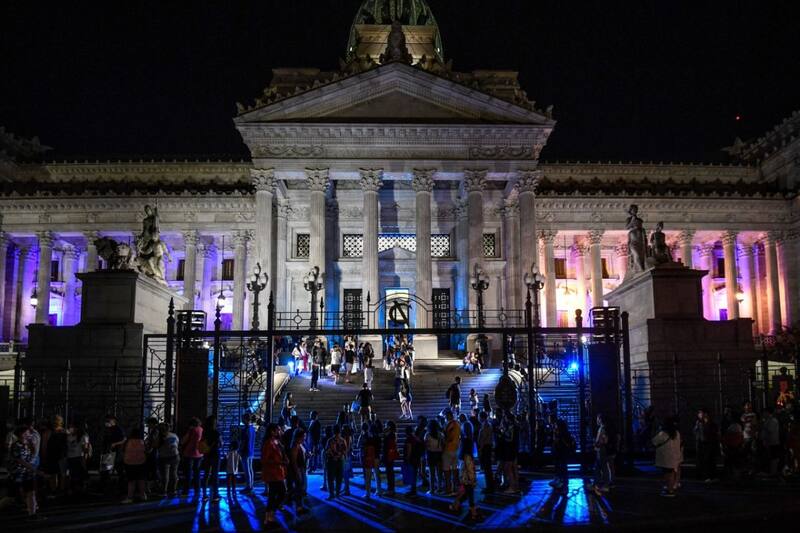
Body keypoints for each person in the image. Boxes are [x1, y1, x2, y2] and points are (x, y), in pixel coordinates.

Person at [10, 425, 43, 521]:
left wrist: (33, 445)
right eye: (27, 433)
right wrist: (36, 470)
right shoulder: (16, 446)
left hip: (27, 474)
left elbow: (33, 457)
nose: (29, 434)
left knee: (31, 492)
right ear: (21, 434)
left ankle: (32, 514)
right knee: (11, 497)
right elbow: (21, 461)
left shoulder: (28, 444)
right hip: (18, 474)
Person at [261, 423, 288, 528]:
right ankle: (269, 516)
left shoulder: (276, 441)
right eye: (277, 430)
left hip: (278, 472)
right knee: (281, 493)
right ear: (272, 431)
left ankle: (269, 517)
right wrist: (279, 462)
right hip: (273, 473)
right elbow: (265, 460)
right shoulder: (268, 443)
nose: (279, 431)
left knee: (274, 495)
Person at [449, 428, 479, 521]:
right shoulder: (468, 456)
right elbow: (470, 469)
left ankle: (456, 505)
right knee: (469, 495)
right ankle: (473, 512)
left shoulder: (461, 455)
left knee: (465, 494)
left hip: (464, 478)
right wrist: (473, 479)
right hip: (468, 479)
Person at [653, 416, 682, 497]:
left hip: (665, 457)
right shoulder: (676, 433)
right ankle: (670, 487)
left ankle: (670, 490)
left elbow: (654, 441)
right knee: (671, 473)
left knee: (667, 473)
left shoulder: (664, 433)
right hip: (674, 456)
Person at [122, 427, 147, 503]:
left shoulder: (127, 441)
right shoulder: (142, 441)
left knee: (131, 481)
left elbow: (123, 450)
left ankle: (130, 497)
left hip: (129, 463)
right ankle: (143, 495)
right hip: (141, 463)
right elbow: (145, 451)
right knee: (141, 480)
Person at [694, 408, 719, 483]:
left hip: (710, 443)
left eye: (701, 413)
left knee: (711, 460)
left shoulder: (711, 423)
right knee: (704, 460)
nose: (699, 415)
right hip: (702, 444)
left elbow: (715, 433)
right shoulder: (698, 423)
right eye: (699, 413)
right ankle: (706, 476)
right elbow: (695, 433)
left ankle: (712, 476)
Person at [65, 421, 91, 495]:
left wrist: (85, 456)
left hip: (79, 457)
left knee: (80, 474)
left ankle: (81, 489)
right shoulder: (69, 435)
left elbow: (85, 448)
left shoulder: (83, 435)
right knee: (73, 474)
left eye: (72, 427)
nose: (70, 428)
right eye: (70, 427)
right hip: (70, 457)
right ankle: (74, 489)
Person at [180, 417, 203, 496]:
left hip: (189, 453)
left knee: (188, 473)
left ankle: (186, 490)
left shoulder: (191, 430)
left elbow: (183, 441)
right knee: (197, 472)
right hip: (199, 453)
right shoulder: (201, 429)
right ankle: (197, 489)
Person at [287, 428, 309, 514]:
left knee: (300, 488)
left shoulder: (299, 445)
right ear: (298, 437)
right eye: (304, 436)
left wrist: (307, 455)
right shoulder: (295, 446)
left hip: (301, 469)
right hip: (298, 470)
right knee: (298, 488)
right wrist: (297, 473)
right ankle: (298, 507)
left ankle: (299, 506)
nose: (304, 438)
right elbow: (293, 461)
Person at [200, 416, 221, 502]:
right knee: (215, 475)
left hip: (207, 454)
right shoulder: (216, 432)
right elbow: (220, 444)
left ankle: (204, 495)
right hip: (215, 454)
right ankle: (215, 495)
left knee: (206, 474)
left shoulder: (205, 432)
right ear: (214, 423)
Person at [551, 419, 575, 493]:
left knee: (562, 468)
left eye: (556, 425)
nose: (555, 426)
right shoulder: (559, 433)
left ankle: (563, 484)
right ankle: (560, 482)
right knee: (560, 467)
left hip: (562, 453)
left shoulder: (563, 434)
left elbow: (562, 443)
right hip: (559, 453)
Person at [591, 413, 612, 495]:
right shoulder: (602, 428)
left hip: (601, 450)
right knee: (598, 467)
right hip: (600, 449)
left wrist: (597, 444)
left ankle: (605, 485)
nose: (597, 420)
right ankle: (597, 483)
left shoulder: (602, 429)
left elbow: (605, 440)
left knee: (603, 467)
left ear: (600, 419)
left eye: (598, 418)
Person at [324, 425, 347, 499]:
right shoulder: (343, 440)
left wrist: (333, 456)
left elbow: (327, 451)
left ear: (333, 431)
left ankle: (331, 494)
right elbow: (345, 451)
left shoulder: (330, 440)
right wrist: (340, 455)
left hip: (332, 461)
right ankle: (337, 493)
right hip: (340, 461)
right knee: (339, 478)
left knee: (330, 478)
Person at [477, 411, 495, 496]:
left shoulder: (485, 425)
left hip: (485, 447)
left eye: (479, 416)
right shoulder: (487, 424)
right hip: (487, 447)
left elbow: (483, 438)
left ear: (481, 417)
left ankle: (490, 487)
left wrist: (480, 449)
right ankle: (489, 486)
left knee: (487, 468)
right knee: (487, 468)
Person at [443, 409, 461, 494]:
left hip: (449, 448)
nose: (445, 417)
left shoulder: (451, 424)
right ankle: (455, 488)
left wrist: (444, 439)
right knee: (455, 469)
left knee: (446, 470)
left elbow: (449, 437)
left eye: (446, 416)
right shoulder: (457, 423)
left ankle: (448, 489)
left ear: (449, 416)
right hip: (456, 448)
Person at [360, 423, 380, 499]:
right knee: (376, 475)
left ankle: (368, 493)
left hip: (369, 457)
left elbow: (363, 446)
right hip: (377, 457)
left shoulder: (369, 438)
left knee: (368, 476)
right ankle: (378, 490)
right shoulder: (378, 438)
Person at [424, 419, 444, 494]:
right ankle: (439, 488)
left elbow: (425, 445)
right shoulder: (440, 434)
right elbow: (443, 444)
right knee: (439, 472)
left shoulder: (427, 435)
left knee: (431, 473)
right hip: (439, 453)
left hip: (430, 454)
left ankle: (432, 489)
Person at [760, 407, 781, 478]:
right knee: (771, 457)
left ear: (768, 413)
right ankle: (771, 472)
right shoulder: (768, 420)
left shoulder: (773, 420)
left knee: (773, 457)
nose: (763, 414)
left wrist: (763, 425)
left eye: (764, 413)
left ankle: (773, 472)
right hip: (768, 442)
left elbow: (770, 430)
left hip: (773, 442)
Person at [403, 425, 424, 496]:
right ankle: (413, 490)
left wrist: (407, 458)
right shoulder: (415, 438)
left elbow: (409, 449)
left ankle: (413, 491)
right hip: (416, 458)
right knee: (414, 475)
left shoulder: (409, 439)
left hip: (412, 459)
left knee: (412, 475)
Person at [239, 414, 256, 493]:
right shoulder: (252, 428)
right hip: (251, 450)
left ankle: (248, 487)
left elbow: (243, 442)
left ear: (245, 419)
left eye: (243, 418)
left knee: (247, 470)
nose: (242, 420)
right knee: (250, 469)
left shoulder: (245, 429)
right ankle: (251, 485)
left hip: (245, 451)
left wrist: (240, 450)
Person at [382, 421, 399, 496]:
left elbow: (387, 445)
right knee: (390, 472)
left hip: (388, 455)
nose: (385, 426)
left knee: (389, 472)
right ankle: (391, 489)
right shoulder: (393, 434)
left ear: (389, 426)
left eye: (386, 425)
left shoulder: (390, 435)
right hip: (390, 455)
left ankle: (390, 489)